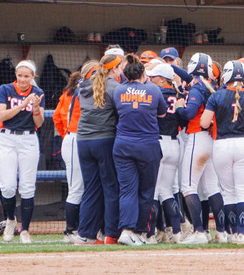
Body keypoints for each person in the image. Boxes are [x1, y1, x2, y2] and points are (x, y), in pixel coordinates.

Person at [200, 60, 244, 244]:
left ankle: (230, 233)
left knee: (228, 192)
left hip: (222, 145)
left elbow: (204, 123)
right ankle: (241, 233)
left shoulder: (217, 97)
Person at [113, 54, 167, 245]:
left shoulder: (118, 91)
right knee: (146, 191)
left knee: (127, 190)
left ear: (126, 75)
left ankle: (126, 231)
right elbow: (162, 113)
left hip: (122, 145)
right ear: (143, 73)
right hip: (147, 145)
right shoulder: (153, 89)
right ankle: (140, 232)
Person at [174, 53, 226, 245]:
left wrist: (179, 107)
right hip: (211, 140)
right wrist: (170, 66)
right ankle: (222, 232)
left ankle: (199, 231)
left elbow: (188, 113)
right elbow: (190, 77)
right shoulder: (211, 86)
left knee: (187, 187)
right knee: (212, 188)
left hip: (197, 137)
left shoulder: (197, 88)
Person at [74, 54, 123, 245]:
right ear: (115, 69)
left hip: (83, 141)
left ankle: (85, 234)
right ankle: (111, 234)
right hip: (104, 140)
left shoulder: (83, 85)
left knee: (91, 188)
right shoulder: (115, 87)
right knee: (111, 188)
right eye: (119, 67)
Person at [0, 60, 45, 244]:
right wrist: (22, 105)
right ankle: (10, 219)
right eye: (20, 75)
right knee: (7, 186)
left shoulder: (38, 92)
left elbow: (39, 123)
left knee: (27, 186)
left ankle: (25, 230)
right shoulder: (5, 89)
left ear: (33, 77)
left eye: (27, 76)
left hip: (29, 138)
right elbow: (0, 116)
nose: (23, 79)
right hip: (7, 137)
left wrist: (36, 108)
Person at [146, 63, 185, 243]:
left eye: (153, 77)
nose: (150, 79)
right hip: (174, 144)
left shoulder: (155, 94)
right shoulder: (179, 94)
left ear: (162, 79)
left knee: (154, 191)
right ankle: (176, 231)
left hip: (158, 143)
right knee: (166, 190)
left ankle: (151, 234)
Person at [53, 68, 86, 243]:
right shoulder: (70, 96)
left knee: (82, 188)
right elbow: (57, 117)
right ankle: (70, 230)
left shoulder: (66, 95)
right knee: (76, 189)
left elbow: (57, 118)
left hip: (74, 139)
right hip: (75, 139)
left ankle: (81, 228)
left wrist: (64, 133)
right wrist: (66, 134)